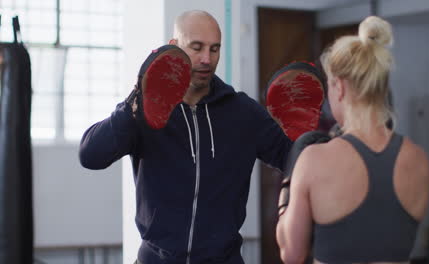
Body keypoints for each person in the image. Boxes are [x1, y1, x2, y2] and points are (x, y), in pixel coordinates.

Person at [79, 10, 292, 264]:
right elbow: (91, 155)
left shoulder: (243, 112)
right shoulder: (144, 112)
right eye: (196, 47)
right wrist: (134, 103)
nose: (206, 59)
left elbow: (293, 158)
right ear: (174, 47)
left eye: (214, 49)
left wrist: (308, 135)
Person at [276, 16, 429, 264]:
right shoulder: (419, 160)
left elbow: (291, 254)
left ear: (339, 87)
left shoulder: (314, 160)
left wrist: (287, 190)